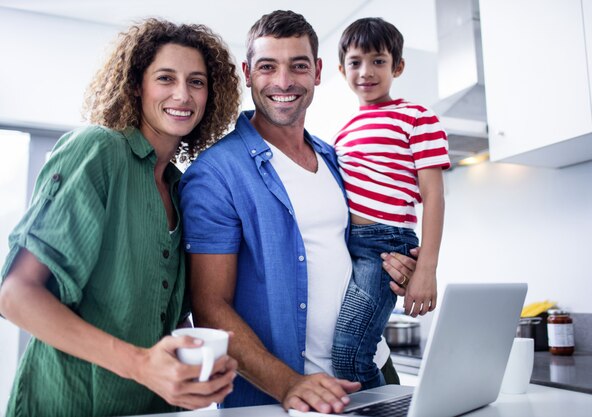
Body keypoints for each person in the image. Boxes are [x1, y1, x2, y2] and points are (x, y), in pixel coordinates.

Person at [179, 10, 418, 414]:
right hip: (285, 396)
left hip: (374, 370)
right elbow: (209, 306)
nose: (284, 82)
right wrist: (289, 384)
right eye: (268, 67)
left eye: (298, 66)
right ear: (248, 73)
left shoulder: (336, 158)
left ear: (319, 72)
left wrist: (400, 267)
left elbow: (362, 247)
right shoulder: (214, 174)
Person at [0, 18, 241, 417]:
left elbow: (159, 316)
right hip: (64, 404)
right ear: (136, 85)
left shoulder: (184, 189)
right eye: (166, 78)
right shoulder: (98, 152)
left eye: (196, 82)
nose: (182, 94)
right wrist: (142, 365)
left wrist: (200, 364)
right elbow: (15, 296)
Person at [331, 17, 450, 389]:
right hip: (347, 246)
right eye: (355, 62)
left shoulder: (417, 118)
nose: (366, 71)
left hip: (384, 247)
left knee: (349, 353)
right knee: (353, 347)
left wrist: (426, 269)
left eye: (378, 61)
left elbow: (434, 197)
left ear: (397, 66)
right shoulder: (344, 132)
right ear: (341, 69)